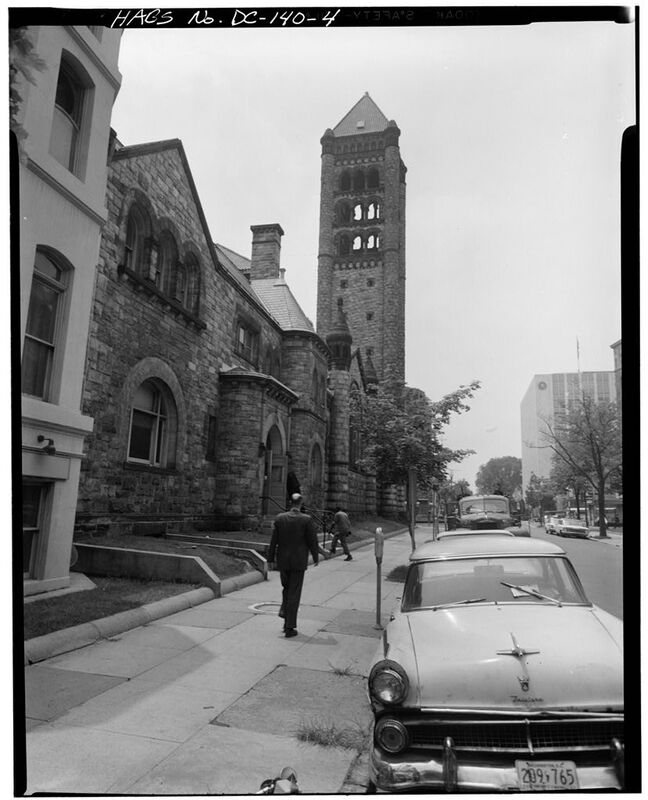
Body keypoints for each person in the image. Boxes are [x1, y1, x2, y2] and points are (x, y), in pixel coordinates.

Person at [268, 493, 320, 638]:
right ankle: (289, 626)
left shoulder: (280, 518)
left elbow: (274, 541)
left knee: (286, 589)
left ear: (291, 502)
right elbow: (312, 541)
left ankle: (285, 613)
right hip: (298, 562)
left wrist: (270, 558)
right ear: (301, 503)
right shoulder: (306, 520)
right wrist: (316, 556)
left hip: (283, 561)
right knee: (294, 593)